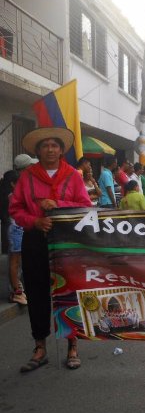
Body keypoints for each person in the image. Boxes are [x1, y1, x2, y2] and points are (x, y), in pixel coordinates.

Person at [9, 127, 92, 372]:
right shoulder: (28, 177)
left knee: (68, 292)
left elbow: (85, 206)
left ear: (61, 149)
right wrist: (35, 221)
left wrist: (59, 205)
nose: (50, 149)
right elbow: (16, 209)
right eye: (44, 145)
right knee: (36, 293)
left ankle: (72, 344)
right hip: (34, 240)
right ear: (38, 150)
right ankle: (40, 347)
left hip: (66, 242)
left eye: (54, 145)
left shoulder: (73, 176)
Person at [3, 170, 27, 305]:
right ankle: (17, 292)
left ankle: (17, 289)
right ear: (13, 184)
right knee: (15, 262)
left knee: (18, 263)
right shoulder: (13, 196)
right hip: (16, 229)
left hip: (18, 229)